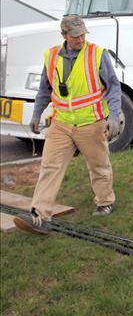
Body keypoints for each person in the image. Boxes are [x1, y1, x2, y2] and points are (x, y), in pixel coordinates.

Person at [14, 15, 122, 235]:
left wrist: (113, 115)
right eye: (75, 36)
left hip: (90, 123)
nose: (81, 39)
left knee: (99, 165)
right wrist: (37, 114)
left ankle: (105, 201)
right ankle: (40, 216)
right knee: (49, 167)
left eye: (83, 34)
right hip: (61, 122)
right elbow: (45, 89)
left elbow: (113, 87)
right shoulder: (52, 55)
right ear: (64, 35)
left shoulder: (97, 54)